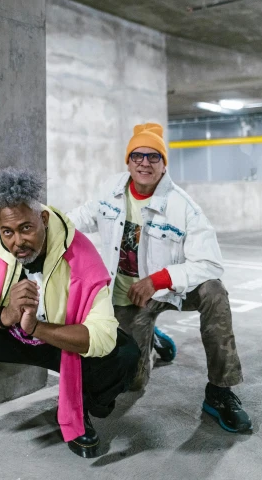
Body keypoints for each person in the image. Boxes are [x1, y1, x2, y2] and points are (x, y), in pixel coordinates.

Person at [0, 169, 140, 458]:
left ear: (44, 220)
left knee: (124, 353)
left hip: (56, 342)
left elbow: (102, 335)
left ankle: (78, 406)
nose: (17, 242)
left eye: (26, 228)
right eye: (8, 232)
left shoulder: (82, 256)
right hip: (7, 333)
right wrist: (5, 315)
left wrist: (36, 328)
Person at [68, 122, 252, 433]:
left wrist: (160, 279)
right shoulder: (111, 191)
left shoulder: (183, 207)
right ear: (128, 162)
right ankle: (150, 337)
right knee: (133, 383)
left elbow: (210, 263)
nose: (144, 163)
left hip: (170, 289)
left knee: (214, 293)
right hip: (129, 297)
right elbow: (84, 216)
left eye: (154, 157)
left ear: (163, 164)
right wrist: (46, 221)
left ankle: (220, 392)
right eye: (137, 155)